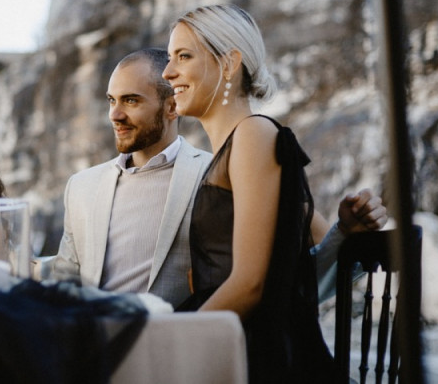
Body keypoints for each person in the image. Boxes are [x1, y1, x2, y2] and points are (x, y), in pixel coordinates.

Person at [52, 48, 385, 311]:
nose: (115, 114)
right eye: (112, 101)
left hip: (182, 360)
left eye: (131, 101)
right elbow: (62, 286)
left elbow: (294, 278)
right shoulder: (81, 186)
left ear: (172, 107)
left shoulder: (224, 175)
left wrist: (345, 234)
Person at [162, 4, 344, 382]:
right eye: (169, 58)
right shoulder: (239, 145)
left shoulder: (252, 135)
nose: (168, 73)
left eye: (184, 56)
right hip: (236, 343)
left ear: (229, 63)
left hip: (259, 359)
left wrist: (168, 345)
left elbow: (250, 284)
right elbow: (322, 243)